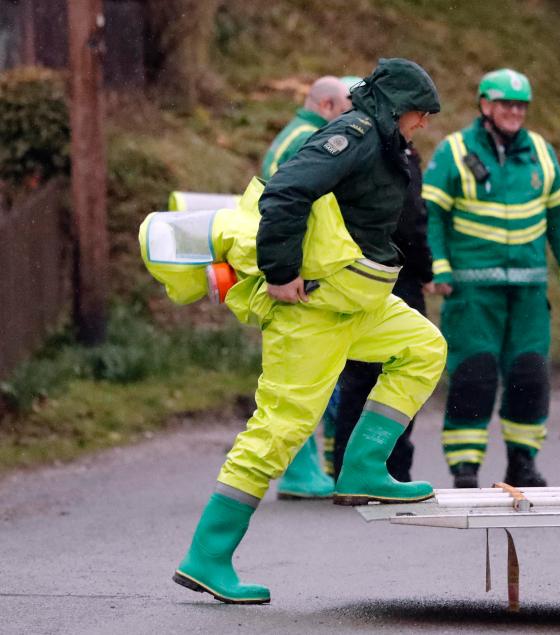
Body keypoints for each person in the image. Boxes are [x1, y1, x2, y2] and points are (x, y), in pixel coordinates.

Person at [172, 58, 445, 605]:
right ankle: (208, 556)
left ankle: (364, 467)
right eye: (419, 115)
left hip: (357, 302)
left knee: (422, 348)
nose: (423, 126)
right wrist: (279, 273)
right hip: (314, 311)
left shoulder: (384, 142)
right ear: (398, 108)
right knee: (279, 429)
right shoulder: (355, 135)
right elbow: (285, 193)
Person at [422, 68, 560, 489]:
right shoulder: (454, 151)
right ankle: (464, 468)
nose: (514, 112)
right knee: (473, 376)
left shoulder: (541, 153)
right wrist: (436, 265)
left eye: (520, 105)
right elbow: (431, 215)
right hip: (473, 292)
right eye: (505, 104)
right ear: (485, 106)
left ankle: (523, 463)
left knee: (529, 375)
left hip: (529, 292)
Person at [258, 75, 355, 499]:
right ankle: (300, 471)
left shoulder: (293, 135)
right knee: (302, 375)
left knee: (300, 373)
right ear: (330, 106)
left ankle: (312, 467)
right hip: (296, 276)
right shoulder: (310, 139)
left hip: (286, 269)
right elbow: (296, 207)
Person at [327, 141, 433, 482]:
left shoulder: (352, 151)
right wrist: (426, 267)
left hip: (354, 273)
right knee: (402, 371)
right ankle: (391, 469)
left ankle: (344, 468)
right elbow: (410, 217)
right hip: (394, 272)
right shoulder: (395, 154)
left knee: (357, 375)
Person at [260, 75, 352, 179]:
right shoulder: (310, 137)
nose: (344, 118)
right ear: (326, 105)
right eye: (343, 111)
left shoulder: (299, 126)